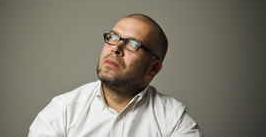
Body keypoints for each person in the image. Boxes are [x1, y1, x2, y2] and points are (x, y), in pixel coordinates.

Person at [28, 13, 203, 137]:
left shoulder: (174, 121)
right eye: (113, 37)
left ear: (153, 69)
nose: (116, 48)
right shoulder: (62, 111)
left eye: (133, 44)